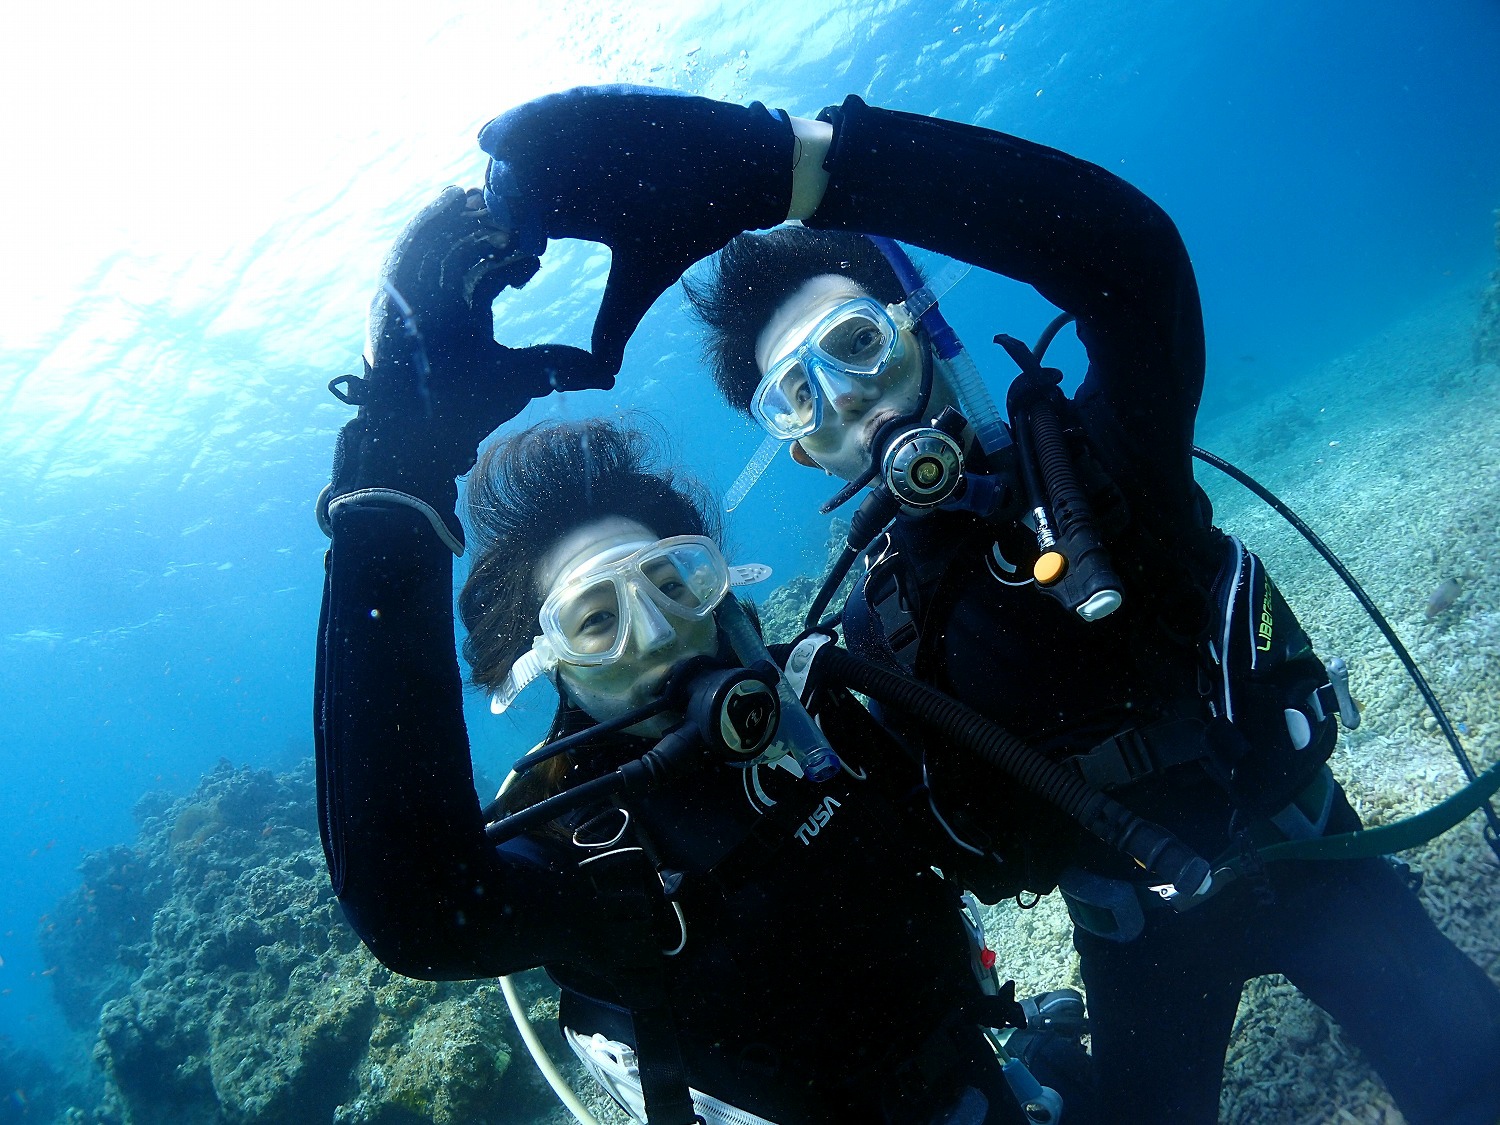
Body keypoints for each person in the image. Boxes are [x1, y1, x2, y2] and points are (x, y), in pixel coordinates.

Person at [473, 87, 1500, 1123]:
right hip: (1139, 933)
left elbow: (1132, 258)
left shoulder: (1104, 463)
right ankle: (1053, 1057)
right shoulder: (869, 637)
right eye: (798, 395)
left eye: (855, 344)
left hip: (1310, 854)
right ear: (801, 447)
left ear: (920, 331)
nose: (847, 396)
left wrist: (802, 165)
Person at [314, 187, 1097, 1125]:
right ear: (547, 664)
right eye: (596, 620)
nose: (655, 632)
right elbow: (411, 904)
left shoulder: (821, 714)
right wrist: (392, 470)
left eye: (673, 582)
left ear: (720, 585)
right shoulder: (586, 851)